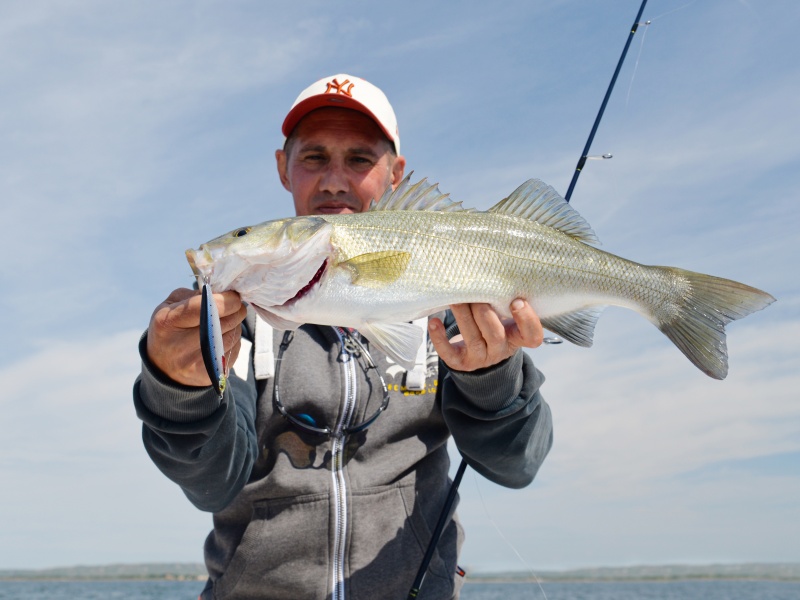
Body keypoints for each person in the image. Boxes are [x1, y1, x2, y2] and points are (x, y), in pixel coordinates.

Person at [133, 74, 553, 600]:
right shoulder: (237, 323)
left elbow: (517, 464)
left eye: (359, 159)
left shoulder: (449, 315)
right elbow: (210, 482)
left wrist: (493, 376)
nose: (335, 180)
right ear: (282, 168)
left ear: (396, 174)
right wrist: (179, 389)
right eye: (313, 157)